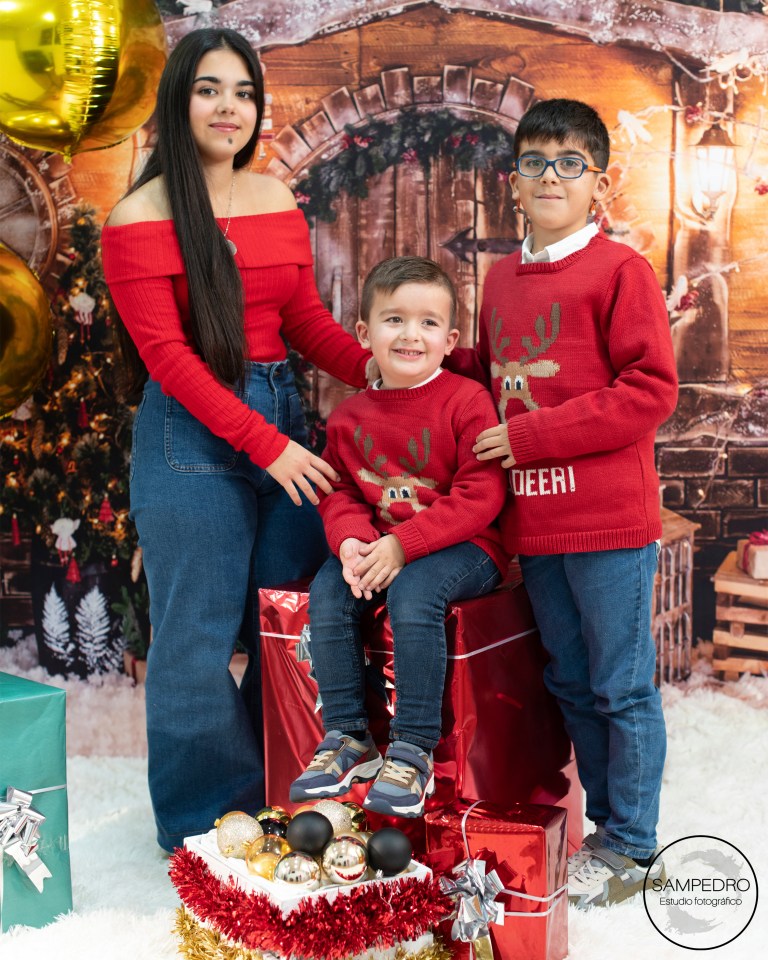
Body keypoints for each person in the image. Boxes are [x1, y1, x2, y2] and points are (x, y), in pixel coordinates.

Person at [101, 28, 374, 853]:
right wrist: (268, 446)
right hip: (196, 437)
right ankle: (201, 835)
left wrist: (397, 371)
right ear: (178, 100)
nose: (230, 108)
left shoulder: (273, 199)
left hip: (279, 420)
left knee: (285, 626)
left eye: (244, 92)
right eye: (210, 89)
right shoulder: (138, 214)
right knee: (196, 638)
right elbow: (172, 362)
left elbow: (304, 324)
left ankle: (279, 796)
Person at [451, 99, 678, 906]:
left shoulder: (621, 271)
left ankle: (636, 844)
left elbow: (649, 390)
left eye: (569, 163)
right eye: (535, 162)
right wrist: (426, 360)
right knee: (572, 682)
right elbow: (491, 371)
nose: (551, 175)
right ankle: (606, 826)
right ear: (513, 182)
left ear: (598, 183)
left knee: (620, 683)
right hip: (536, 525)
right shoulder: (503, 276)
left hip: (609, 521)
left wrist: (534, 438)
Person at [289, 257, 508, 818]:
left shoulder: (466, 400)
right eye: (394, 320)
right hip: (383, 543)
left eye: (429, 323)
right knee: (331, 590)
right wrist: (352, 544)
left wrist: (402, 546)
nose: (411, 334)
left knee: (414, 595)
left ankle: (412, 747)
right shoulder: (348, 415)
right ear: (364, 333)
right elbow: (338, 490)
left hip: (467, 546)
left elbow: (481, 496)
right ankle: (347, 735)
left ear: (449, 338)